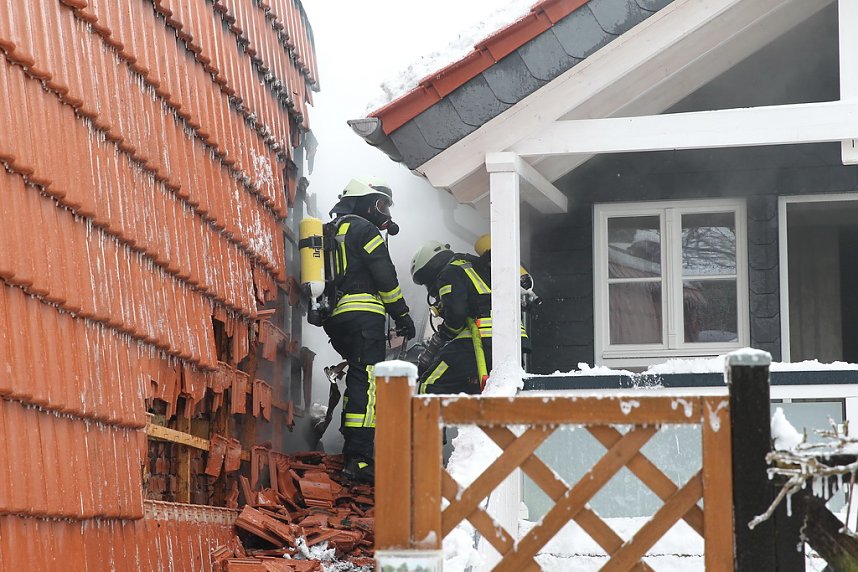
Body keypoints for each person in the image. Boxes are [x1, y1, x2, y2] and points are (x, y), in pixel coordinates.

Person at [323, 176, 416, 482]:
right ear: (366, 201)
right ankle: (359, 459)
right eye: (382, 204)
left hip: (337, 318)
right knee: (370, 382)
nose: (385, 213)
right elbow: (384, 275)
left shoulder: (331, 230)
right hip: (365, 315)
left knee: (358, 378)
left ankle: (353, 448)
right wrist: (402, 315)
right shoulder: (364, 229)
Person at [409, 240, 529, 395]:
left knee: (430, 384)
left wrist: (445, 333)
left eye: (425, 282)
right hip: (514, 339)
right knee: (486, 389)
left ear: (429, 268)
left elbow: (457, 314)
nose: (430, 290)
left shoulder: (448, 273)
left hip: (482, 338)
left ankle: (436, 419)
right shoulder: (472, 265)